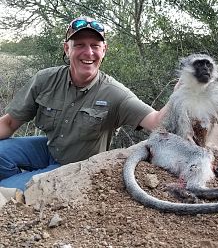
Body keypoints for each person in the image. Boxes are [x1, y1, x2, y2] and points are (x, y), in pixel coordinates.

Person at [0, 16, 166, 191]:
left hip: (77, 170)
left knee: (4, 189)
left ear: (104, 50)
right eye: (79, 45)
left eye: (95, 46)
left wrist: (184, 91)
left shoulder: (115, 93)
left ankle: (22, 191)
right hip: (50, 149)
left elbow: (157, 122)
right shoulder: (45, 80)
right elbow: (10, 123)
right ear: (67, 49)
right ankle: (22, 189)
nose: (88, 52)